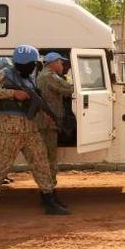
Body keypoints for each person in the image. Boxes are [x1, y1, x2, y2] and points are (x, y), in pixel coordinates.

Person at [0, 45, 69, 219]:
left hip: (31, 129)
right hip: (10, 131)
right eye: (26, 64)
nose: (28, 67)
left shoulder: (31, 79)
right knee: (0, 167)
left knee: (42, 165)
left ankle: (49, 203)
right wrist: (13, 93)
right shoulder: (5, 74)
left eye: (30, 64)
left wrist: (47, 114)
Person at [36, 51, 75, 206]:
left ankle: (48, 193)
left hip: (46, 123)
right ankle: (49, 195)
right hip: (48, 124)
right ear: (52, 63)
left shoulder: (44, 75)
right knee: (49, 160)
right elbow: (69, 89)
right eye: (60, 62)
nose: (62, 65)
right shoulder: (50, 77)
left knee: (47, 159)